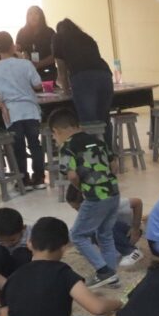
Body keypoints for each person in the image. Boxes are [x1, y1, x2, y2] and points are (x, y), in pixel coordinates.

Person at [0, 217, 122, 316]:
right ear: (64, 248)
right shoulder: (62, 272)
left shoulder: (12, 278)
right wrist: (118, 303)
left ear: (30, 243)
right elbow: (97, 307)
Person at [50, 107, 120, 288]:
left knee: (77, 234)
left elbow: (72, 176)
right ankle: (112, 276)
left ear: (57, 131)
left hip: (95, 197)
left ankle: (103, 271)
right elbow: (114, 164)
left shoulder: (67, 147)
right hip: (113, 192)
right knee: (105, 234)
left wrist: (81, 188)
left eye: (53, 136)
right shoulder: (98, 140)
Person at [0, 31, 46, 190]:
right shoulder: (25, 63)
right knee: (34, 144)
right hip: (30, 109)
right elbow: (38, 85)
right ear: (12, 45)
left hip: (11, 112)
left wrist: (1, 104)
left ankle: (22, 179)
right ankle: (39, 178)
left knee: (18, 147)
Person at [52, 18, 114, 140]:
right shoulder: (86, 37)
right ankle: (108, 154)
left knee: (88, 121)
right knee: (103, 119)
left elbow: (62, 70)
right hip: (105, 75)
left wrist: (66, 91)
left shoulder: (58, 38)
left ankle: (91, 155)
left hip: (83, 78)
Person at [66, 185, 143, 267]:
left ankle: (131, 251)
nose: (78, 212)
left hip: (128, 232)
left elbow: (138, 202)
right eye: (75, 209)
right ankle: (116, 250)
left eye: (79, 208)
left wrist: (135, 229)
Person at [0, 208, 31, 305]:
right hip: (3, 276)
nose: (7, 244)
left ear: (23, 228)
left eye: (12, 240)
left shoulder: (32, 234)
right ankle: (2, 292)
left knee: (23, 253)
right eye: (1, 241)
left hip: (25, 273)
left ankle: (27, 291)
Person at [16, 5, 57, 83]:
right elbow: (16, 52)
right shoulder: (22, 32)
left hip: (48, 72)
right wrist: (24, 57)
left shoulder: (50, 32)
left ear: (41, 16)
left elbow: (56, 54)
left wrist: (39, 64)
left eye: (36, 13)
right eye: (30, 14)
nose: (33, 16)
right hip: (28, 73)